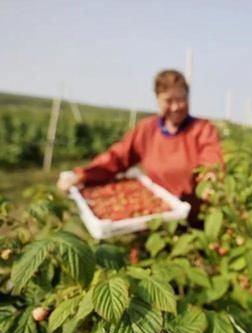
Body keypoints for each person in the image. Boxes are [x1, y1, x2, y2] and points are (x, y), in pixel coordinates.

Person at [57, 69, 223, 226]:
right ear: (157, 99)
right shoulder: (147, 129)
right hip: (155, 217)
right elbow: (117, 157)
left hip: (194, 218)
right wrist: (82, 175)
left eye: (181, 99)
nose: (176, 107)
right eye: (169, 100)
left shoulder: (202, 129)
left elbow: (211, 156)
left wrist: (210, 176)